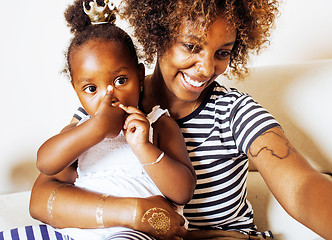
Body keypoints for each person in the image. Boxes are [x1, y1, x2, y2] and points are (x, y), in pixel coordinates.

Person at [25, 0, 332, 239]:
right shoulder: (107, 105)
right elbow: (42, 197)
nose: (205, 68)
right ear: (157, 35)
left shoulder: (233, 112)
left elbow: (302, 186)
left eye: (222, 53)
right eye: (191, 46)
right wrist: (136, 213)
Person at [0, 1, 196, 240]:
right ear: (76, 90)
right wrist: (96, 128)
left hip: (131, 233)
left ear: (140, 76)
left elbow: (183, 192)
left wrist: (143, 148)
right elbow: (45, 163)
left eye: (121, 80)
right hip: (76, 231)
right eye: (91, 88)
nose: (108, 96)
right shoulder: (81, 131)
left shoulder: (157, 124)